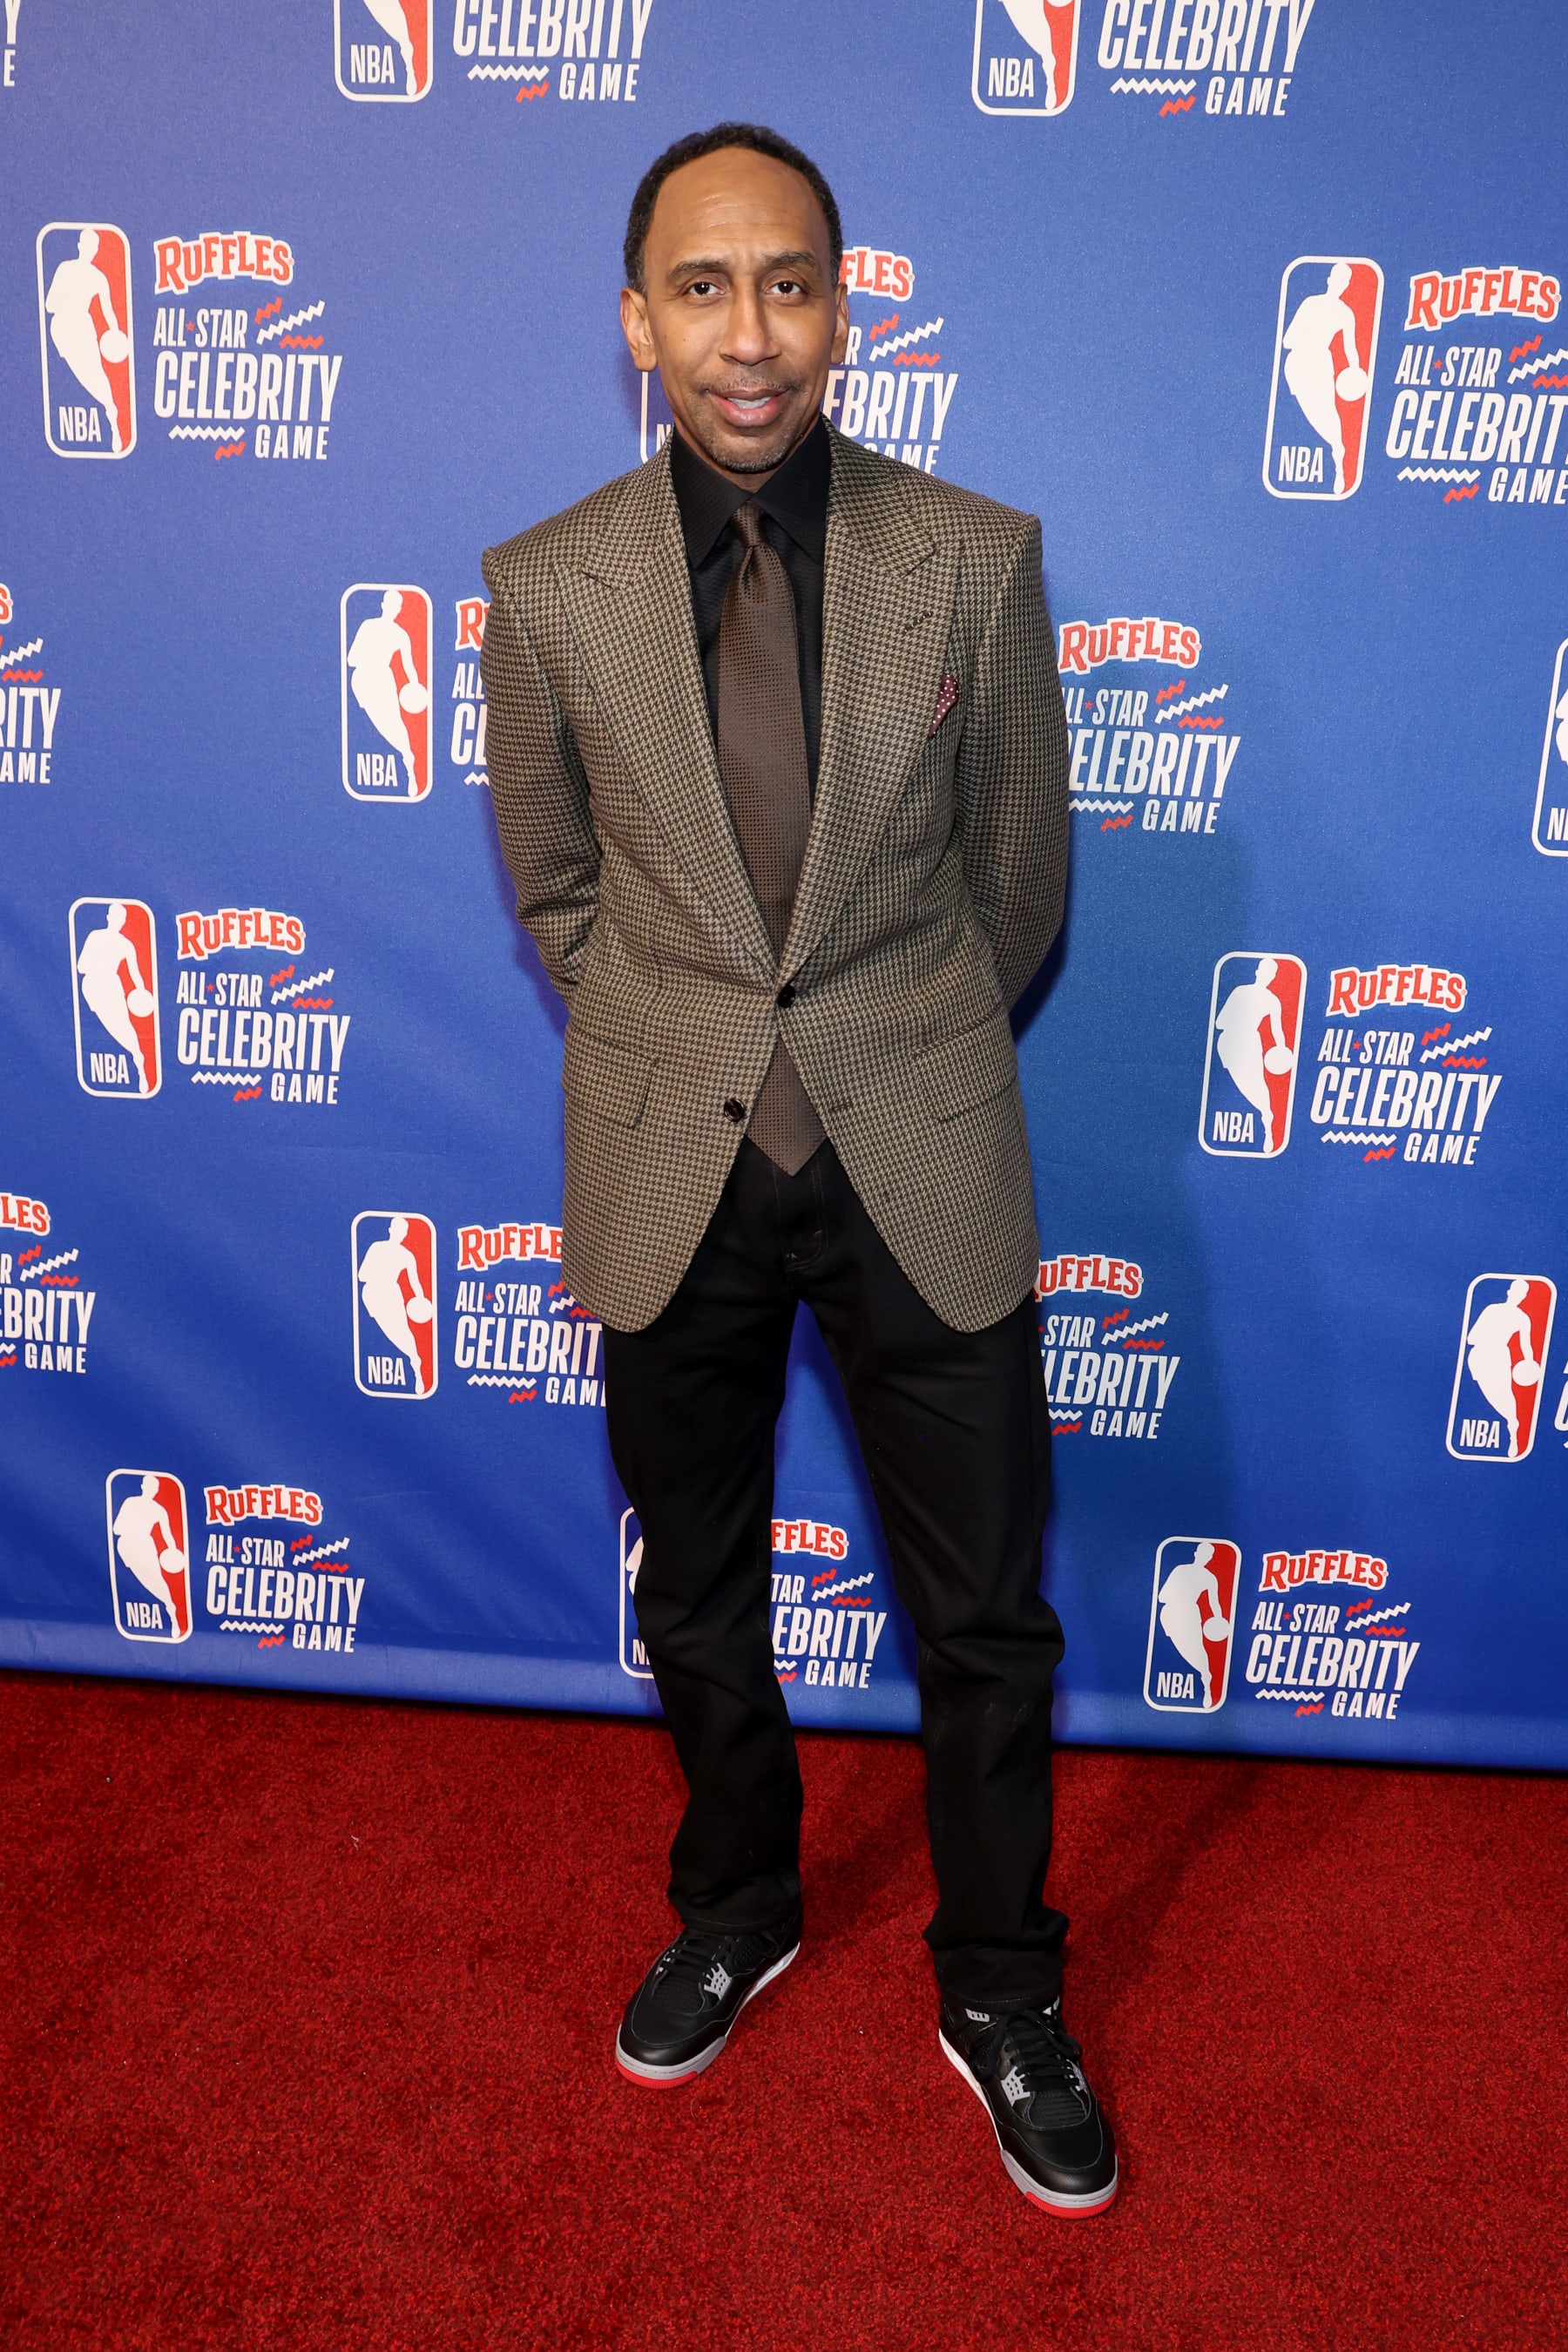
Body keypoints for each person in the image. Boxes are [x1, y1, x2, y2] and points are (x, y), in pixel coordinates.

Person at [480, 125, 1112, 2216]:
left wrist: (880, 1042)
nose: (748, 335)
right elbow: (560, 889)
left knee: (987, 1614)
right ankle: (740, 1890)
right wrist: (698, 1044)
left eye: (790, 285)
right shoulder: (545, 584)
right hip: (676, 1153)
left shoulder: (972, 555)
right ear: (638, 317)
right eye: (703, 287)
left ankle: (1003, 1978)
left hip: (919, 1132)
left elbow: (1019, 877)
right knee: (701, 1586)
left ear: (847, 309)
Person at [1281, 262, 1363, 495]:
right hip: (1298, 364)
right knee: (1310, 413)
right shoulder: (1310, 303)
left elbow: (1351, 348)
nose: (1340, 284)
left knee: (1328, 411)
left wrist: (1355, 371)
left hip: (1320, 363)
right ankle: (1336, 448)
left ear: (1347, 285)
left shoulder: (1346, 313)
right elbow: (1288, 340)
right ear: (1329, 279)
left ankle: (1339, 458)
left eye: (1345, 281)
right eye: (1337, 278)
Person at [45, 228, 126, 454]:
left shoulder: (98, 277)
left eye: (94, 246)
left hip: (80, 328)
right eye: (89, 245)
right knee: (83, 376)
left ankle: (112, 417)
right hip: (64, 328)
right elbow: (49, 305)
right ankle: (111, 412)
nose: (91, 250)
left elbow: (108, 311)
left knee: (95, 375)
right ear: (80, 245)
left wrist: (116, 333)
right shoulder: (66, 269)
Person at [347, 589, 423, 797]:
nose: (394, 609)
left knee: (394, 724)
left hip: (383, 680)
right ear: (383, 605)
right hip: (362, 681)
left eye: (397, 606)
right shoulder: (367, 626)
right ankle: (407, 757)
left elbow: (409, 666)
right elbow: (351, 659)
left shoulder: (400, 634)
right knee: (375, 724)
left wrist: (415, 685)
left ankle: (409, 763)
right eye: (390, 604)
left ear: (399, 609)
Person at [1213, 956, 1290, 1149]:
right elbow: (1218, 1022)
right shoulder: (1241, 992)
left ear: (1273, 977)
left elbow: (1277, 1031)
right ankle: (1266, 1115)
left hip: (1248, 1043)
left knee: (1256, 1084)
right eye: (1266, 972)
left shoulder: (1272, 1001)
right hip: (1230, 1043)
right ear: (1257, 972)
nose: (1268, 977)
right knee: (1240, 1085)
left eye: (1271, 974)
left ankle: (1268, 1122)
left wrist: (1281, 1050)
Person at [77, 902, 152, 1092]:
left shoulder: (126, 945)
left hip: (110, 986)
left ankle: (139, 1061)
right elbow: (80, 967)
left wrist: (142, 992)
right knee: (110, 1027)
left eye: (121, 918)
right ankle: (137, 1056)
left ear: (123, 921)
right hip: (93, 987)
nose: (118, 921)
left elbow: (135, 973)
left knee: (123, 1026)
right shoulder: (95, 936)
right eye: (117, 917)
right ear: (109, 917)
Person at [1463, 1278, 1539, 1460]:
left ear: (1524, 1297)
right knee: (1490, 1395)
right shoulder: (1491, 1310)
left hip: (1499, 1357)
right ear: (1509, 1292)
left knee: (1505, 1394)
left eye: (1522, 1294)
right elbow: (1470, 1338)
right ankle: (1511, 1422)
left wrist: (1530, 1363)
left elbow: (1526, 1345)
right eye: (1517, 1291)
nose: (1519, 1296)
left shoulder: (1523, 1318)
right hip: (1479, 1357)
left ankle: (1513, 1427)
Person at [357, 1216, 430, 1395]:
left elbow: (415, 1282)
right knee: (390, 1333)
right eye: (397, 1229)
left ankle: (416, 1364)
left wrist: (421, 1300)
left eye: (403, 1231)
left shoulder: (407, 1255)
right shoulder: (376, 1247)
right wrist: (379, 1273)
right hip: (372, 1295)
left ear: (405, 1234)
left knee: (402, 1332)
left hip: (391, 1294)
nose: (400, 1234)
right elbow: (361, 1275)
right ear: (390, 1230)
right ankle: (414, 1359)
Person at [112, 1475, 189, 1639]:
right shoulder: (130, 1502)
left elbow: (167, 1535)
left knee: (155, 1580)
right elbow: (116, 1528)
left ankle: (172, 1611)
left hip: (145, 1546)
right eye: (151, 1487)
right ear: (143, 1486)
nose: (153, 1491)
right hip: (125, 1545)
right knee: (136, 1581)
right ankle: (168, 1608)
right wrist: (133, 1526)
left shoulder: (159, 1510)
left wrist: (174, 1551)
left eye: (156, 1488)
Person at [1157, 1541, 1229, 1709]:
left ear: (1210, 1558)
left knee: (1196, 1648)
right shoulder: (1180, 1570)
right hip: (1170, 1614)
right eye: (1204, 1553)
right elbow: (1161, 1596)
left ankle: (1206, 1680)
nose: (1206, 1557)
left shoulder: (1210, 1578)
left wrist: (1219, 1620)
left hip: (1189, 1614)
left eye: (1209, 1555)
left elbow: (1215, 1603)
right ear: (1196, 1553)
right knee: (1178, 1648)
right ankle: (1205, 1676)